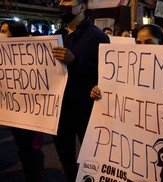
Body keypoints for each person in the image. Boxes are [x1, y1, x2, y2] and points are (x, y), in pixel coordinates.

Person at [51, 0, 110, 181]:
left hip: (85, 110)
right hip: (60, 110)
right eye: (61, 1)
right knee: (65, 156)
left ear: (82, 7)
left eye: (68, 1)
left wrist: (74, 62)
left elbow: (104, 76)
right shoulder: (58, 35)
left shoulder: (98, 37)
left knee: (90, 159)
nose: (62, 4)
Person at [0, 20, 45, 182]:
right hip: (13, 110)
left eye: (5, 31)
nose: (2, 34)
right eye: (1, 31)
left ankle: (36, 173)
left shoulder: (33, 54)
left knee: (33, 146)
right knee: (22, 146)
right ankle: (29, 173)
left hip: (33, 109)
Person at [90, 23, 163, 100]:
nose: (143, 47)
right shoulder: (126, 70)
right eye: (138, 43)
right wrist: (99, 92)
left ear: (161, 44)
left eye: (149, 43)